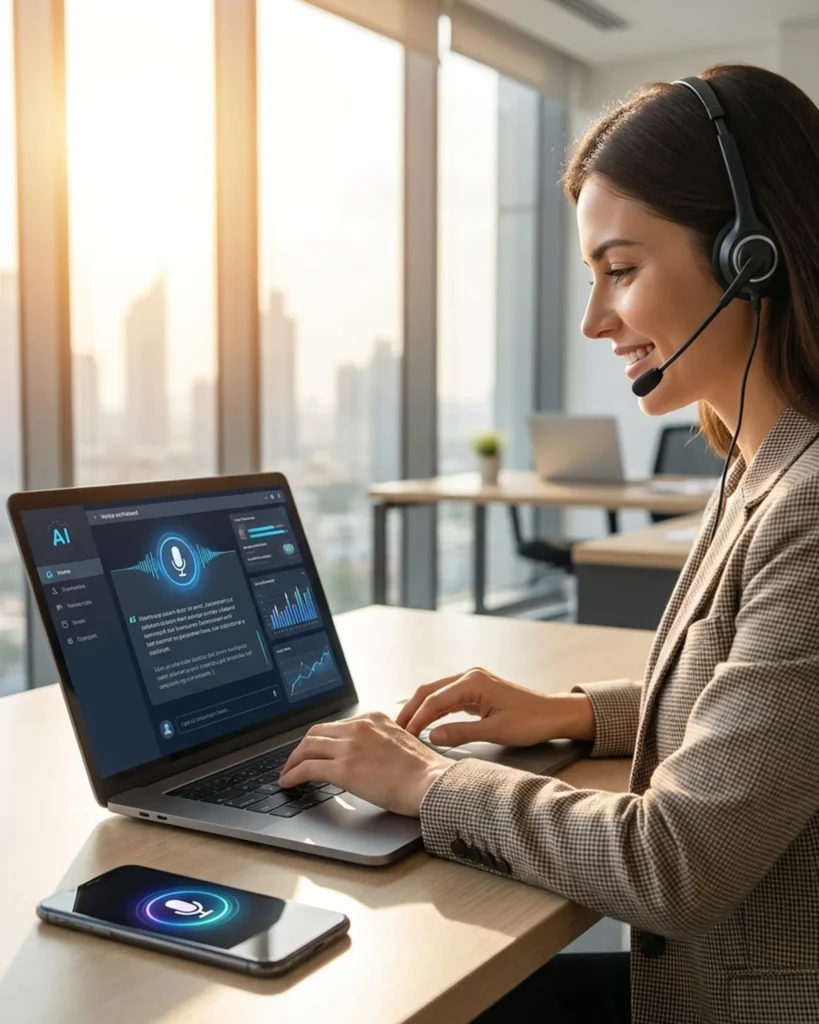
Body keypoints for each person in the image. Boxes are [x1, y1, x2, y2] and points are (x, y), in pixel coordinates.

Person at [279, 63, 819, 1023]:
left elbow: (675, 865)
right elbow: (764, 709)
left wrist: (427, 780)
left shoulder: (809, 505)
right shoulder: (759, 465)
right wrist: (568, 713)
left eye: (622, 269)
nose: (593, 320)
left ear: (751, 256)